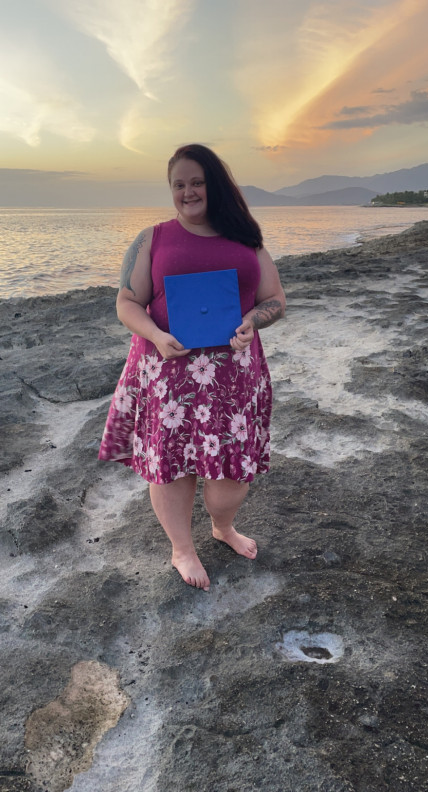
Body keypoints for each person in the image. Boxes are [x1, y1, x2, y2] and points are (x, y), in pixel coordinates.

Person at [98, 143, 286, 591]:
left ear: (214, 184)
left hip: (234, 379)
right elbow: (126, 302)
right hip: (167, 373)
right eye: (179, 184)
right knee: (171, 468)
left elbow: (275, 300)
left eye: (196, 181)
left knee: (230, 479)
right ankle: (182, 548)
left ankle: (223, 527)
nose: (188, 192)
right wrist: (157, 336)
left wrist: (250, 321)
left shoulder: (245, 237)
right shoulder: (152, 239)